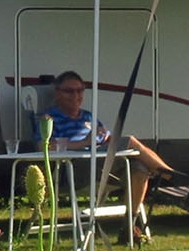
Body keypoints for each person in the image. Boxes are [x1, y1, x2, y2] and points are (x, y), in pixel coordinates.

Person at [39, 71, 172, 233]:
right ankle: (169, 175)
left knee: (139, 169)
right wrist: (85, 142)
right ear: (57, 93)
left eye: (80, 90)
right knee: (129, 141)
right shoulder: (48, 118)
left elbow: (109, 140)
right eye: (69, 91)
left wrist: (103, 136)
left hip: (100, 166)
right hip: (74, 170)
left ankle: (129, 226)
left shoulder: (87, 116)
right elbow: (43, 146)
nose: (76, 95)